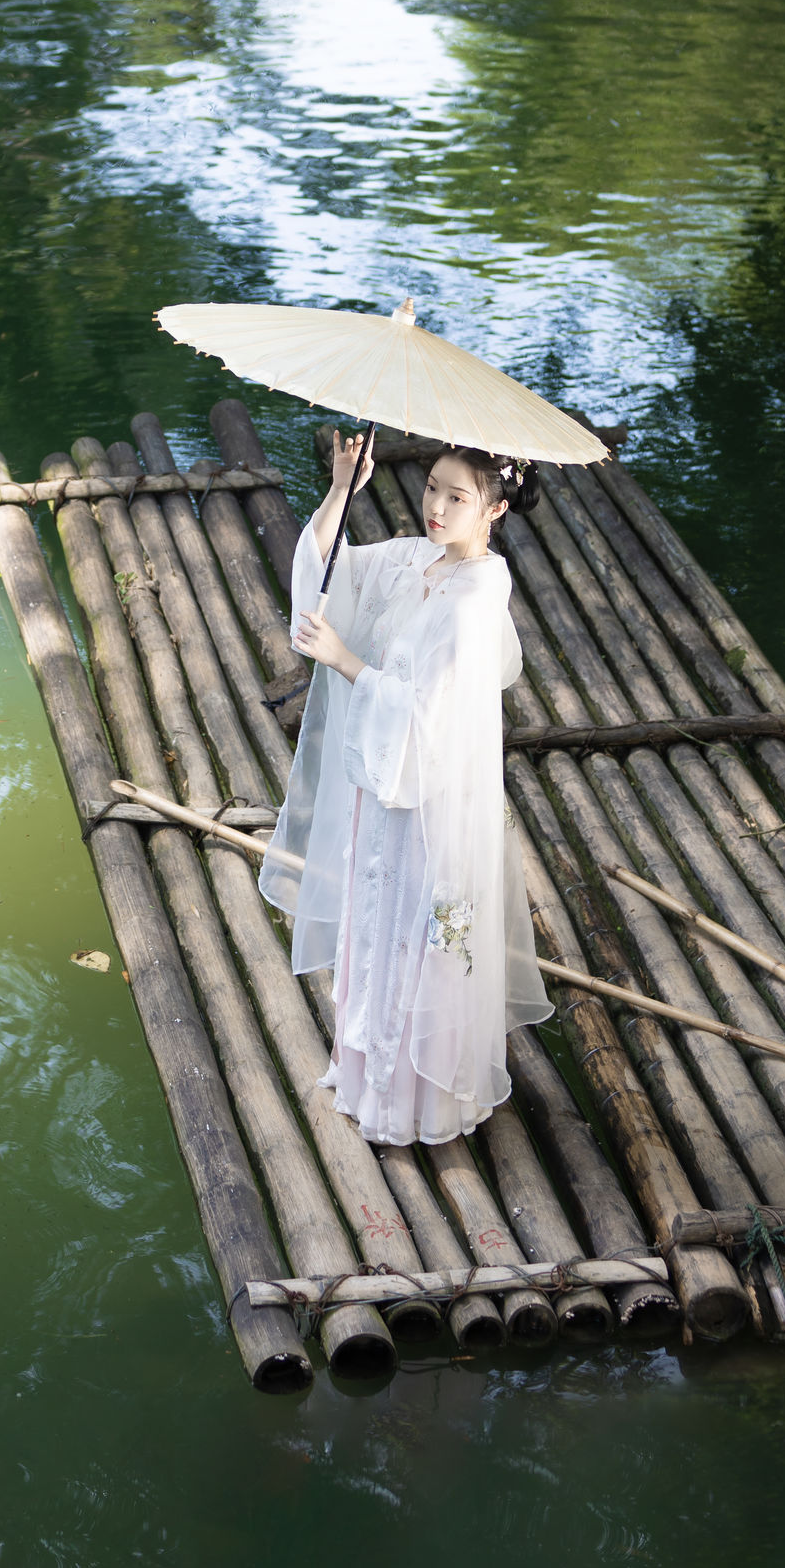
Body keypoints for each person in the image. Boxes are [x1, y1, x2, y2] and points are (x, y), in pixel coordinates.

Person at [257, 432, 549, 1147]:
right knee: (376, 927)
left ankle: (414, 1102)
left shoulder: (478, 596)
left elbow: (431, 714)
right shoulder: (416, 560)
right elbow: (325, 576)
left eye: (459, 497)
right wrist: (338, 492)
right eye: (432, 489)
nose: (438, 508)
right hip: (381, 787)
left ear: (497, 510)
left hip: (429, 802)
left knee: (417, 938)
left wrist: (347, 661)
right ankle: (365, 1078)